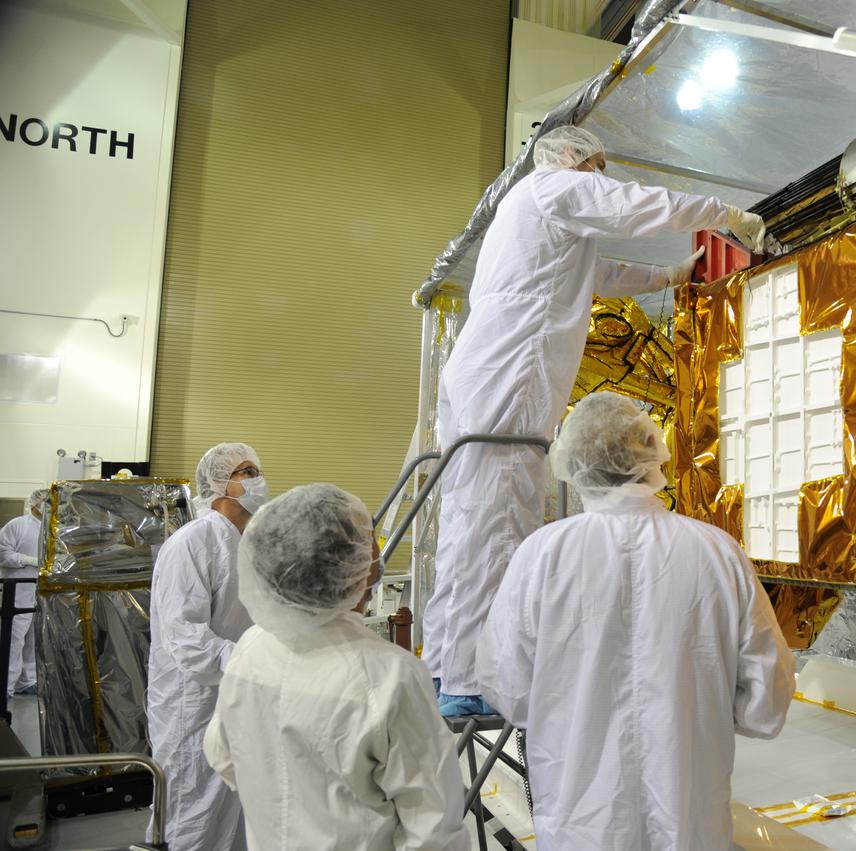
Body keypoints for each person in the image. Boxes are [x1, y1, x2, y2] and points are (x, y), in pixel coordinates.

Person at [426, 125, 769, 716]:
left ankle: (445, 667)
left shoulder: (529, 211)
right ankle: (470, 681)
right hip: (510, 371)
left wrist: (668, 278)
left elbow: (597, 273)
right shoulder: (557, 187)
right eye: (600, 165)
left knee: (467, 521)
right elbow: (632, 206)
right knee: (499, 521)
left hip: (480, 371)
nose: (603, 176)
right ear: (577, 160)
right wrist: (724, 212)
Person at [476, 392, 795, 849]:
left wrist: (570, 706)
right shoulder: (717, 553)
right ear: (651, 455)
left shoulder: (541, 556)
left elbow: (507, 687)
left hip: (581, 827)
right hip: (692, 825)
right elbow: (768, 702)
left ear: (574, 462)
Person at [205, 483, 467, 851]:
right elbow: (434, 829)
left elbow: (221, 754)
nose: (376, 553)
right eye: (369, 542)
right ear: (352, 564)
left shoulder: (250, 647)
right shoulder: (390, 674)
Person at [147, 443, 267, 851]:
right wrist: (258, 664)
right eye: (246, 472)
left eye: (256, 471)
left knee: (235, 815)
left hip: (238, 697)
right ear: (219, 484)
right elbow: (188, 641)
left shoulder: (248, 543)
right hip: (193, 706)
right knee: (192, 815)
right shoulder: (192, 543)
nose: (257, 479)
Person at [0, 488, 47, 698]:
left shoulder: (51, 528)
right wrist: (27, 560)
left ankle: (27, 681)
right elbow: (3, 553)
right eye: (47, 502)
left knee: (33, 638)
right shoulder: (18, 525)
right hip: (17, 591)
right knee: (14, 638)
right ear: (35, 503)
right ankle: (5, 686)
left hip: (41, 591)